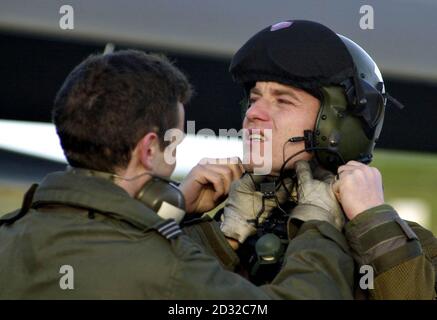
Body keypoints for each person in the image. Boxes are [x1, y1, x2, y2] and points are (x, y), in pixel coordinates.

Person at [0, 49, 355, 299]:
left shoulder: (11, 233)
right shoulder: (166, 269)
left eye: (282, 100)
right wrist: (318, 226)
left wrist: (177, 206)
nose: (255, 114)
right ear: (149, 149)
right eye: (175, 142)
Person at [218, 20, 437, 299]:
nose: (252, 114)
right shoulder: (228, 224)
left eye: (283, 101)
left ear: (338, 123)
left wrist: (376, 226)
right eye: (253, 99)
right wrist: (222, 239)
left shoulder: (411, 250)